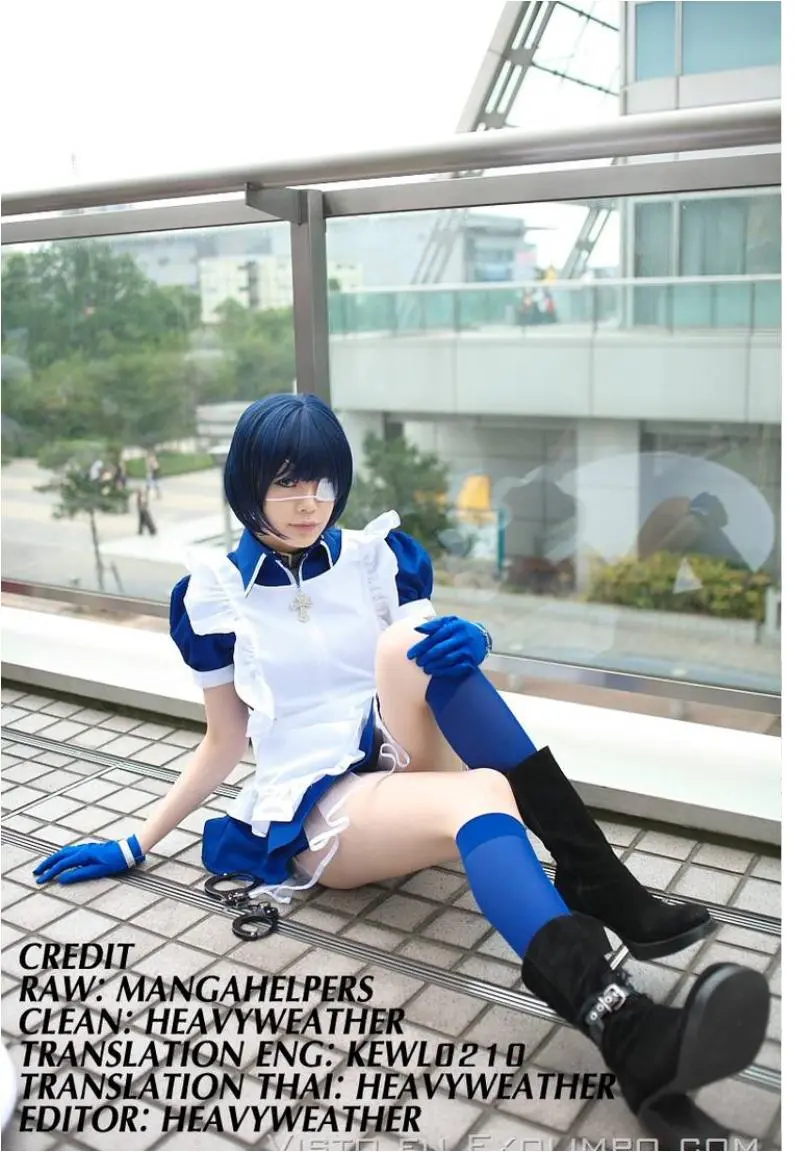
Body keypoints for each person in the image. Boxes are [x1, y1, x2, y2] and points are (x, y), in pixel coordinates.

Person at [33, 394, 769, 1141]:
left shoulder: (372, 558)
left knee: (414, 643)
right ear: (247, 481)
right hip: (323, 805)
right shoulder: (213, 595)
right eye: (287, 482)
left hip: (393, 752)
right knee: (483, 792)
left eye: (323, 481)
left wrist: (474, 636)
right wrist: (135, 842)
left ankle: (598, 879)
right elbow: (224, 741)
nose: (309, 502)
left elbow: (427, 665)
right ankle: (622, 1021)